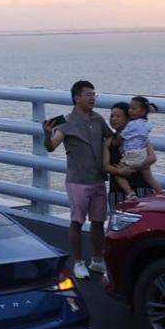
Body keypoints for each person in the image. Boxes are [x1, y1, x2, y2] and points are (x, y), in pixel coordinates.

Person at [44, 80, 114, 279]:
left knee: (99, 221)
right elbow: (51, 146)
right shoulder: (65, 122)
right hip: (78, 181)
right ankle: (78, 262)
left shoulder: (98, 119)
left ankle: (98, 260)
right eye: (88, 94)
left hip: (98, 178)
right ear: (77, 98)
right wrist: (46, 134)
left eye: (94, 94)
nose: (92, 98)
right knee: (77, 221)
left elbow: (111, 137)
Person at [104, 101, 158, 208]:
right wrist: (119, 171)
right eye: (111, 116)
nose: (113, 119)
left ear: (128, 119)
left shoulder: (138, 138)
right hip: (117, 191)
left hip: (141, 186)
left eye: (118, 116)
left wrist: (132, 167)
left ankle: (161, 192)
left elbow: (152, 158)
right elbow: (104, 166)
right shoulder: (108, 142)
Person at [115, 96, 163, 198]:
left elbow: (121, 136)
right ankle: (161, 192)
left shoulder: (132, 124)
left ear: (143, 111)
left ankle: (130, 192)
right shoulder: (147, 124)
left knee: (118, 172)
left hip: (133, 153)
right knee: (149, 177)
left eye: (133, 108)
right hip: (142, 152)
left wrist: (117, 141)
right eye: (130, 108)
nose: (130, 111)